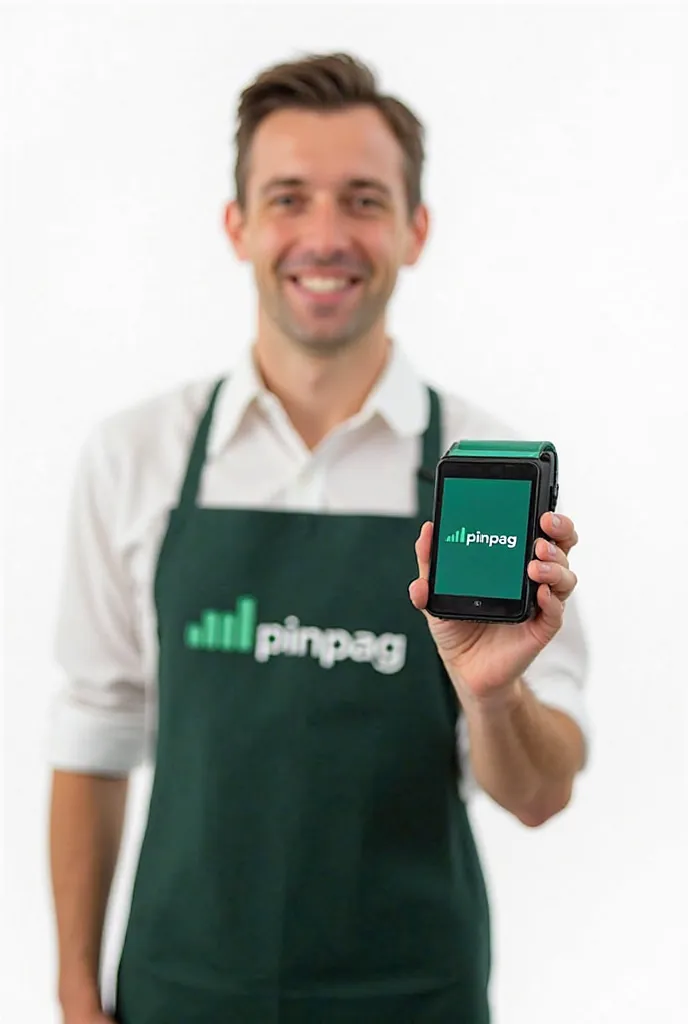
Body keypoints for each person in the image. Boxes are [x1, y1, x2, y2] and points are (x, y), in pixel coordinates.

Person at [47, 51, 590, 1024]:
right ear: (238, 225)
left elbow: (542, 795)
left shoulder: (489, 479)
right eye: (289, 197)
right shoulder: (137, 457)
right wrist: (76, 996)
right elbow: (93, 733)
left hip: (409, 997)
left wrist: (494, 695)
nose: (326, 236)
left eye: (364, 200)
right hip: (179, 995)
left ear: (415, 229)